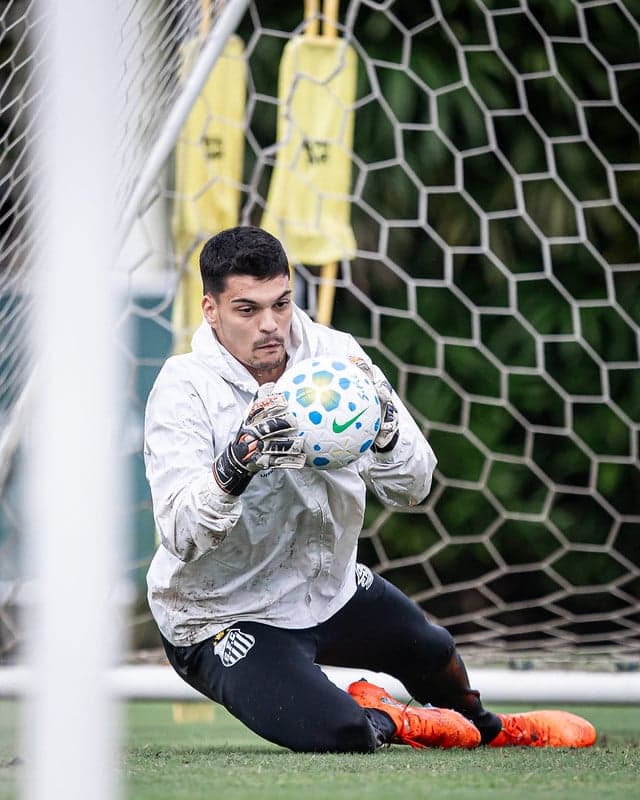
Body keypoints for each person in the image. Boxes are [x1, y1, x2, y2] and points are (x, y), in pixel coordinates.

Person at [144, 225, 596, 753]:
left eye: (281, 303)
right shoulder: (183, 388)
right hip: (221, 612)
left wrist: (385, 432)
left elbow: (414, 485)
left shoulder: (338, 357)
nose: (270, 325)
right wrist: (233, 468)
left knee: (433, 651)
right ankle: (386, 716)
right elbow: (179, 533)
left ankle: (490, 730)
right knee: (340, 731)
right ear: (211, 309)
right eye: (247, 310)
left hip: (326, 586)